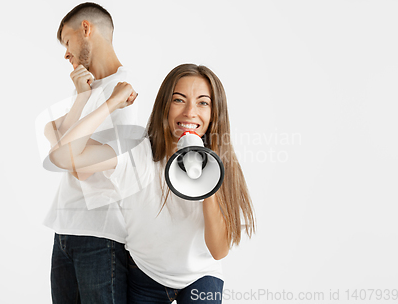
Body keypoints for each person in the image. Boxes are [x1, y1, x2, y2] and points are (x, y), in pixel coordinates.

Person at [49, 63, 256, 303]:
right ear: (164, 106)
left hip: (200, 276)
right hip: (146, 274)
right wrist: (112, 103)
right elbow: (63, 156)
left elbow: (219, 251)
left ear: (214, 113)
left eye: (203, 103)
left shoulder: (220, 165)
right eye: (179, 100)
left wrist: (207, 179)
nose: (190, 112)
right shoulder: (139, 150)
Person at [42, 2, 138, 304]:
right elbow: (49, 132)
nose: (66, 54)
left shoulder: (128, 94)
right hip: (64, 231)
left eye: (67, 42)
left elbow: (79, 165)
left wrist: (69, 146)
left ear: (86, 29)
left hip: (101, 237)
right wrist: (81, 100)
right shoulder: (85, 88)